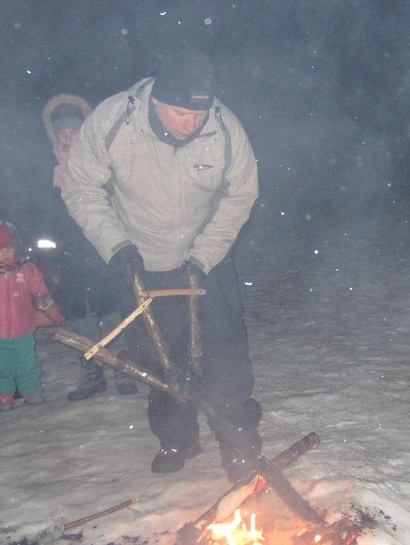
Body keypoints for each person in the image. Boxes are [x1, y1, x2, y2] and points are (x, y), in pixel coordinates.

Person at [61, 49, 261, 481]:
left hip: (207, 257)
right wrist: (116, 247)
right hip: (138, 257)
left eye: (199, 114)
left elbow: (240, 195)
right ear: (155, 100)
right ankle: (177, 439)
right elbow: (81, 188)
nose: (191, 125)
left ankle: (239, 443)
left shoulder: (224, 127)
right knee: (157, 359)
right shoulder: (113, 121)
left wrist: (205, 255)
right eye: (179, 113)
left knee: (226, 353)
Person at [43, 94, 138, 400]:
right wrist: (50, 260)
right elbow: (44, 224)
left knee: (113, 313)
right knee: (81, 320)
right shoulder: (50, 177)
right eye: (63, 135)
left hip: (102, 257)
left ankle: (123, 368)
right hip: (69, 263)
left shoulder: (102, 168)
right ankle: (92, 374)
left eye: (74, 133)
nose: (69, 140)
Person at [0, 222, 58, 410]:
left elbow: (38, 287)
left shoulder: (26, 269)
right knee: (3, 363)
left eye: (8, 249)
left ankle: (31, 390)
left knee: (27, 360)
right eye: (0, 250)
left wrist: (43, 299)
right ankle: (4, 394)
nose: (5, 254)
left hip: (23, 326)